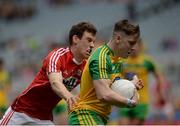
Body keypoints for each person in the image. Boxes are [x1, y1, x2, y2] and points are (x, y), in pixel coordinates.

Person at [0, 21, 97, 125]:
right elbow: (55, 83)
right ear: (75, 39)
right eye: (89, 40)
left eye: (93, 42)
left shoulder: (86, 67)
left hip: (44, 117)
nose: (92, 45)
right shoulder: (57, 56)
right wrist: (69, 97)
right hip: (22, 109)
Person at [68, 19, 143, 125]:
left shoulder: (118, 59)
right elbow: (104, 94)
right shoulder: (101, 57)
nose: (134, 48)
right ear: (118, 38)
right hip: (85, 115)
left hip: (97, 117)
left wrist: (131, 85)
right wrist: (129, 102)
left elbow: (112, 86)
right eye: (131, 43)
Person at [117, 39, 165, 125]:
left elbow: (159, 76)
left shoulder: (147, 61)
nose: (133, 48)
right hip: (125, 99)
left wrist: (160, 93)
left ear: (140, 46)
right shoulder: (122, 61)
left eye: (135, 45)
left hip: (142, 101)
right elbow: (116, 77)